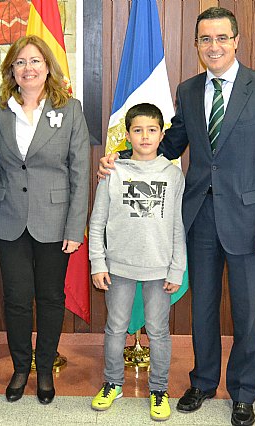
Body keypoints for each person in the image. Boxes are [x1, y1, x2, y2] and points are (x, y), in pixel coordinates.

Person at [99, 7, 255, 426]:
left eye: (221, 38)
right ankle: (203, 382)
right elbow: (169, 145)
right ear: (197, 45)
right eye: (205, 39)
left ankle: (243, 391)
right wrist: (121, 161)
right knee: (202, 308)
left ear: (236, 40)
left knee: (248, 312)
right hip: (199, 218)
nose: (214, 46)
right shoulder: (187, 90)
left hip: (250, 221)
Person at [0, 35, 90, 405]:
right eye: (20, 62)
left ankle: (44, 368)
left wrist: (75, 227)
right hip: (8, 218)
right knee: (16, 298)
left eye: (34, 61)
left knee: (50, 298)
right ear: (11, 70)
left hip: (55, 220)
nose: (27, 68)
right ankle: (20, 368)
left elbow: (80, 171)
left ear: (48, 66)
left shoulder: (70, 108)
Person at [89, 103, 186, 421]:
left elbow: (177, 225)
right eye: (138, 130)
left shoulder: (173, 174)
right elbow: (97, 220)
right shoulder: (112, 170)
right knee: (115, 327)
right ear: (128, 135)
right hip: (119, 265)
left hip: (160, 267)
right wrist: (97, 262)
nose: (145, 136)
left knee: (158, 330)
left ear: (161, 134)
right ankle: (112, 383)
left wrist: (176, 267)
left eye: (152, 129)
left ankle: (158, 389)